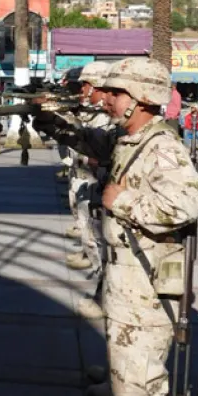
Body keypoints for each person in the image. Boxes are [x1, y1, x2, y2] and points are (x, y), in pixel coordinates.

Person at [88, 58, 198, 396]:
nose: (106, 99)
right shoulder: (131, 138)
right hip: (126, 286)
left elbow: (187, 204)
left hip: (145, 291)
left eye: (116, 93)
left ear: (141, 98)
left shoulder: (161, 146)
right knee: (128, 387)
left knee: (140, 395)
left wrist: (121, 201)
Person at [65, 61, 112, 275]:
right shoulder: (90, 110)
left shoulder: (105, 116)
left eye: (84, 85)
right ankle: (90, 257)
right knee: (84, 219)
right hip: (82, 172)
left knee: (96, 230)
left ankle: (99, 271)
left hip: (96, 178)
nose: (81, 90)